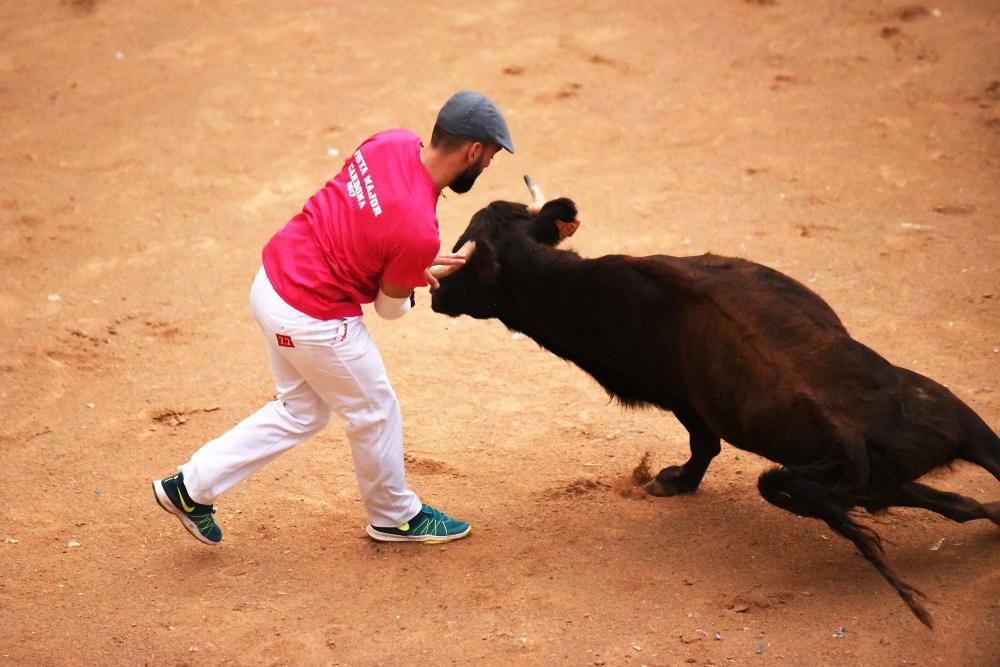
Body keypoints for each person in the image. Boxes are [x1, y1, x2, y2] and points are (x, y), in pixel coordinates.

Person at [152, 90, 514, 545]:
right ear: (474, 151)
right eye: (491, 156)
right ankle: (395, 516)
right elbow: (389, 309)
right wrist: (413, 272)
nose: (487, 166)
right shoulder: (419, 229)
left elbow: (359, 211)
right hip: (311, 316)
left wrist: (404, 261)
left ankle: (189, 488)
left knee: (301, 411)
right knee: (375, 410)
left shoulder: (391, 142)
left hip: (270, 281)